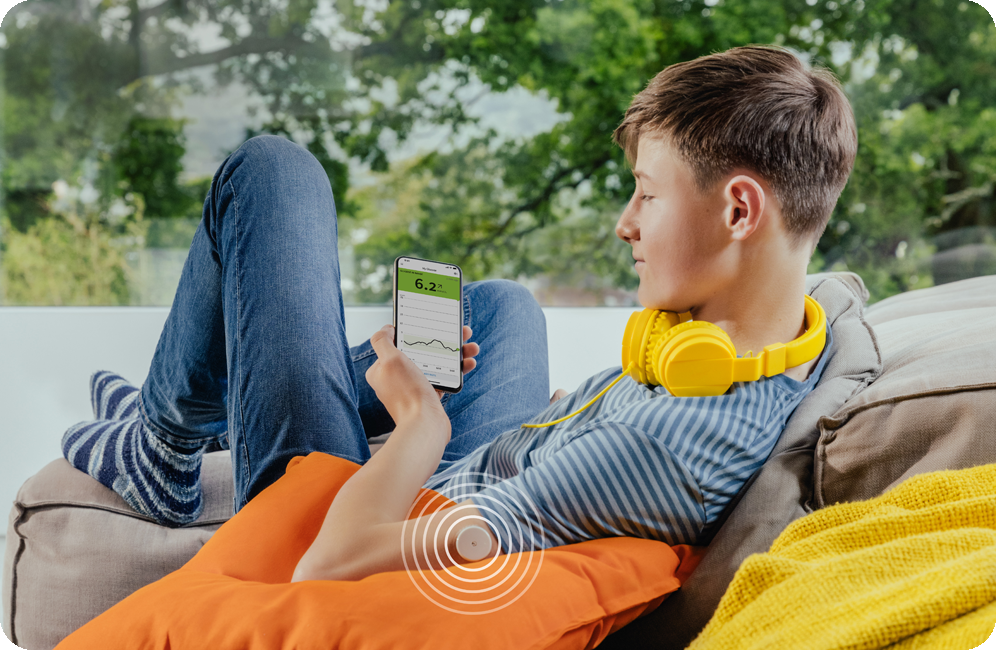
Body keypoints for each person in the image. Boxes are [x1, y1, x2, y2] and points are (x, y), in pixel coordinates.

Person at [62, 43, 856, 582]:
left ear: (742, 210)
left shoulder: (657, 455)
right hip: (488, 471)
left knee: (273, 173)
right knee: (503, 306)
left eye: (647, 193)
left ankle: (163, 445)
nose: (626, 222)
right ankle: (211, 409)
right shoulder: (800, 329)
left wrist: (419, 426)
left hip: (352, 514)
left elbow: (329, 568)